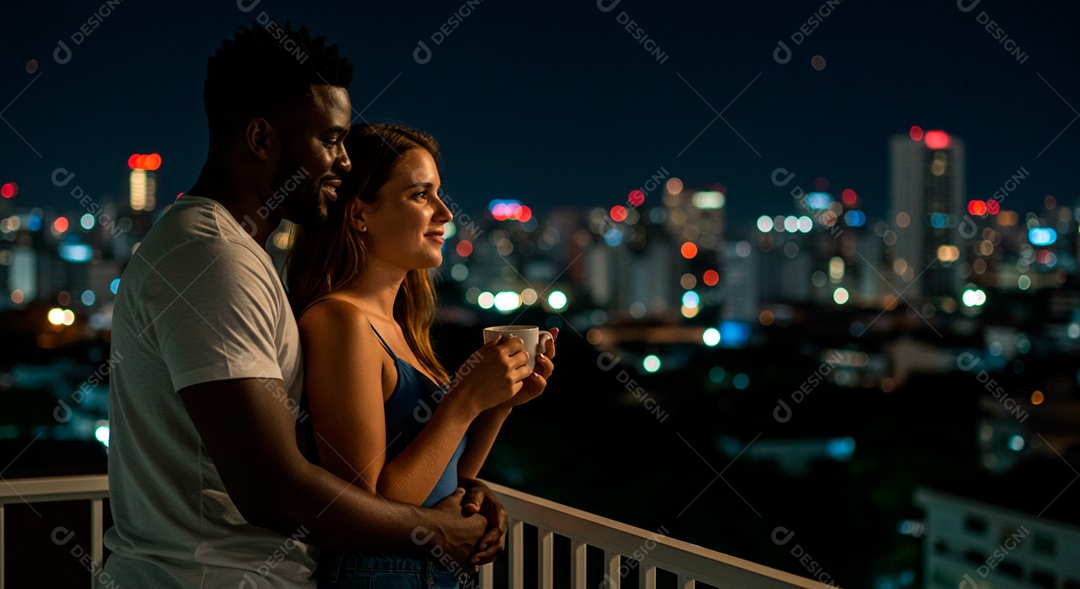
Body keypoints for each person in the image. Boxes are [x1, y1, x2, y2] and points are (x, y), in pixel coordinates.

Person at [102, 24, 492, 588]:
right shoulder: (211, 259)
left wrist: (460, 501)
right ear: (262, 139)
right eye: (330, 140)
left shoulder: (240, 256)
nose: (345, 162)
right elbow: (272, 490)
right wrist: (431, 530)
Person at [285, 123, 557, 588]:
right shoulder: (340, 322)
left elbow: (443, 477)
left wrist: (498, 404)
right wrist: (466, 400)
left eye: (439, 195)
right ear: (359, 215)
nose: (445, 213)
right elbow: (371, 502)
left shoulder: (400, 326)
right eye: (420, 195)